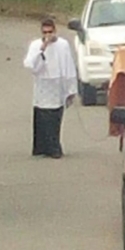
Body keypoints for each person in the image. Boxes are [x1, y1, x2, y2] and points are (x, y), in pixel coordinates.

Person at [23, 18, 78, 159]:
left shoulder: (63, 45)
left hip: (57, 84)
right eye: (45, 32)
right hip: (43, 83)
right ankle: (42, 147)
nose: (48, 35)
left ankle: (54, 147)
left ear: (55, 31)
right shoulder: (36, 45)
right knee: (42, 115)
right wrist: (42, 50)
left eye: (50, 32)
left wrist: (71, 89)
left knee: (54, 116)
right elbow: (31, 65)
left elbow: (69, 65)